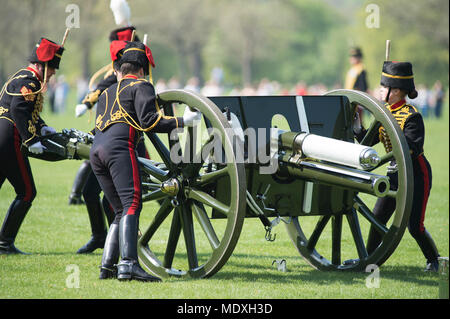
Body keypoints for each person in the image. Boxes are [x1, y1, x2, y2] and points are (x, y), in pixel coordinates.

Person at [90, 41, 201, 281]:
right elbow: (150, 121)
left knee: (120, 210)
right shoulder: (142, 85)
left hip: (96, 150)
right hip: (119, 149)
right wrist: (183, 122)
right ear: (142, 69)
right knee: (131, 205)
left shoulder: (107, 92)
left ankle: (107, 267)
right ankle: (129, 265)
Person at [354, 61, 440, 271]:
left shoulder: (412, 116)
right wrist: (357, 123)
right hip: (393, 175)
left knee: (415, 227)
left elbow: (412, 147)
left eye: (384, 87)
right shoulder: (382, 113)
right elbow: (368, 139)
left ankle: (434, 261)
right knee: (377, 219)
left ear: (397, 91)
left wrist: (388, 121)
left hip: (416, 175)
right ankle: (369, 261)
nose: (380, 90)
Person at [0, 37, 65, 254]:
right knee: (27, 191)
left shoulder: (22, 75)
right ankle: (4, 243)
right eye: (52, 67)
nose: (54, 72)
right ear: (43, 65)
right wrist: (31, 140)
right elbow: (19, 110)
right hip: (9, 138)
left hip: (3, 135)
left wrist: (43, 127)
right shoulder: (31, 81)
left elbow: (29, 112)